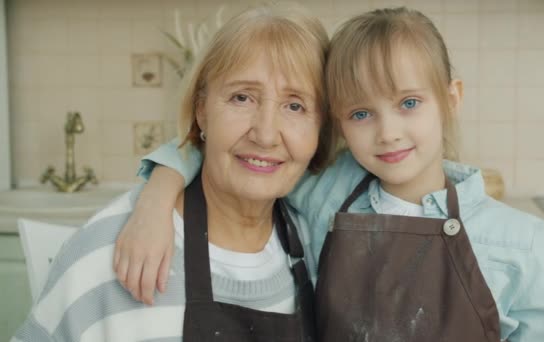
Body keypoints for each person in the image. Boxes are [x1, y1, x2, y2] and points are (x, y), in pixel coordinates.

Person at [113, 7, 544, 342]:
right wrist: (158, 195)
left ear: (451, 98)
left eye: (409, 103)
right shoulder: (326, 192)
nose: (387, 133)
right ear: (339, 121)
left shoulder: (516, 241)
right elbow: (234, 153)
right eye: (361, 114)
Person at [11, 5, 333, 341]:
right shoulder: (109, 252)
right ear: (201, 111)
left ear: (321, 128)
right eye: (241, 98)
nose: (265, 135)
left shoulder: (315, 239)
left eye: (295, 105)